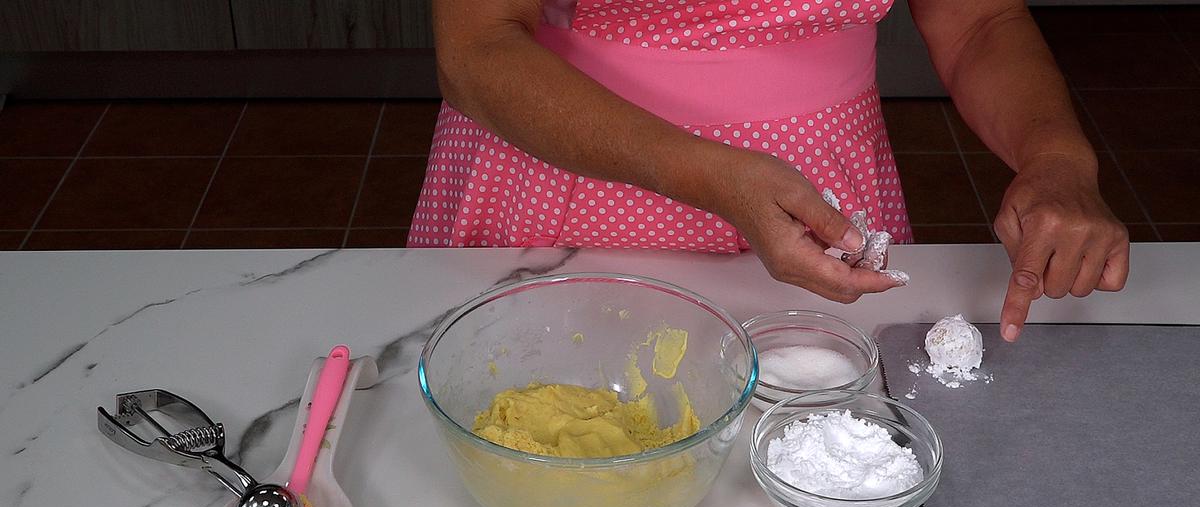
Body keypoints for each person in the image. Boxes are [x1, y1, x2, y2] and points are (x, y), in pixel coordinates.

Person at [410, 0, 1129, 342]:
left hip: (823, 202)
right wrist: (709, 176)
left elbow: (979, 21)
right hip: (571, 189)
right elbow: (478, 48)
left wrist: (1057, 156)